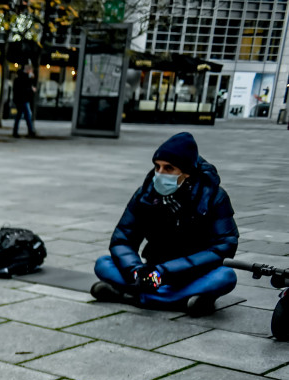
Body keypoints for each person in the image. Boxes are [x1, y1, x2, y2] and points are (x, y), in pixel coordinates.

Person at [91, 132, 238, 317]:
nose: (160, 174)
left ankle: (136, 297)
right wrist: (137, 272)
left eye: (169, 168)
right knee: (103, 263)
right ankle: (179, 300)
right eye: (157, 167)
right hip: (150, 272)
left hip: (191, 274)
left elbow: (223, 247)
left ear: (187, 172)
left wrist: (165, 273)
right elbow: (122, 240)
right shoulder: (146, 194)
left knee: (225, 276)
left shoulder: (214, 197)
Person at [12, 64, 37, 138]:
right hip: (23, 99)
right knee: (27, 115)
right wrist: (31, 89)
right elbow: (24, 89)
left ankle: (17, 131)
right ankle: (30, 131)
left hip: (19, 99)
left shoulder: (19, 78)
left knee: (20, 115)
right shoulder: (24, 78)